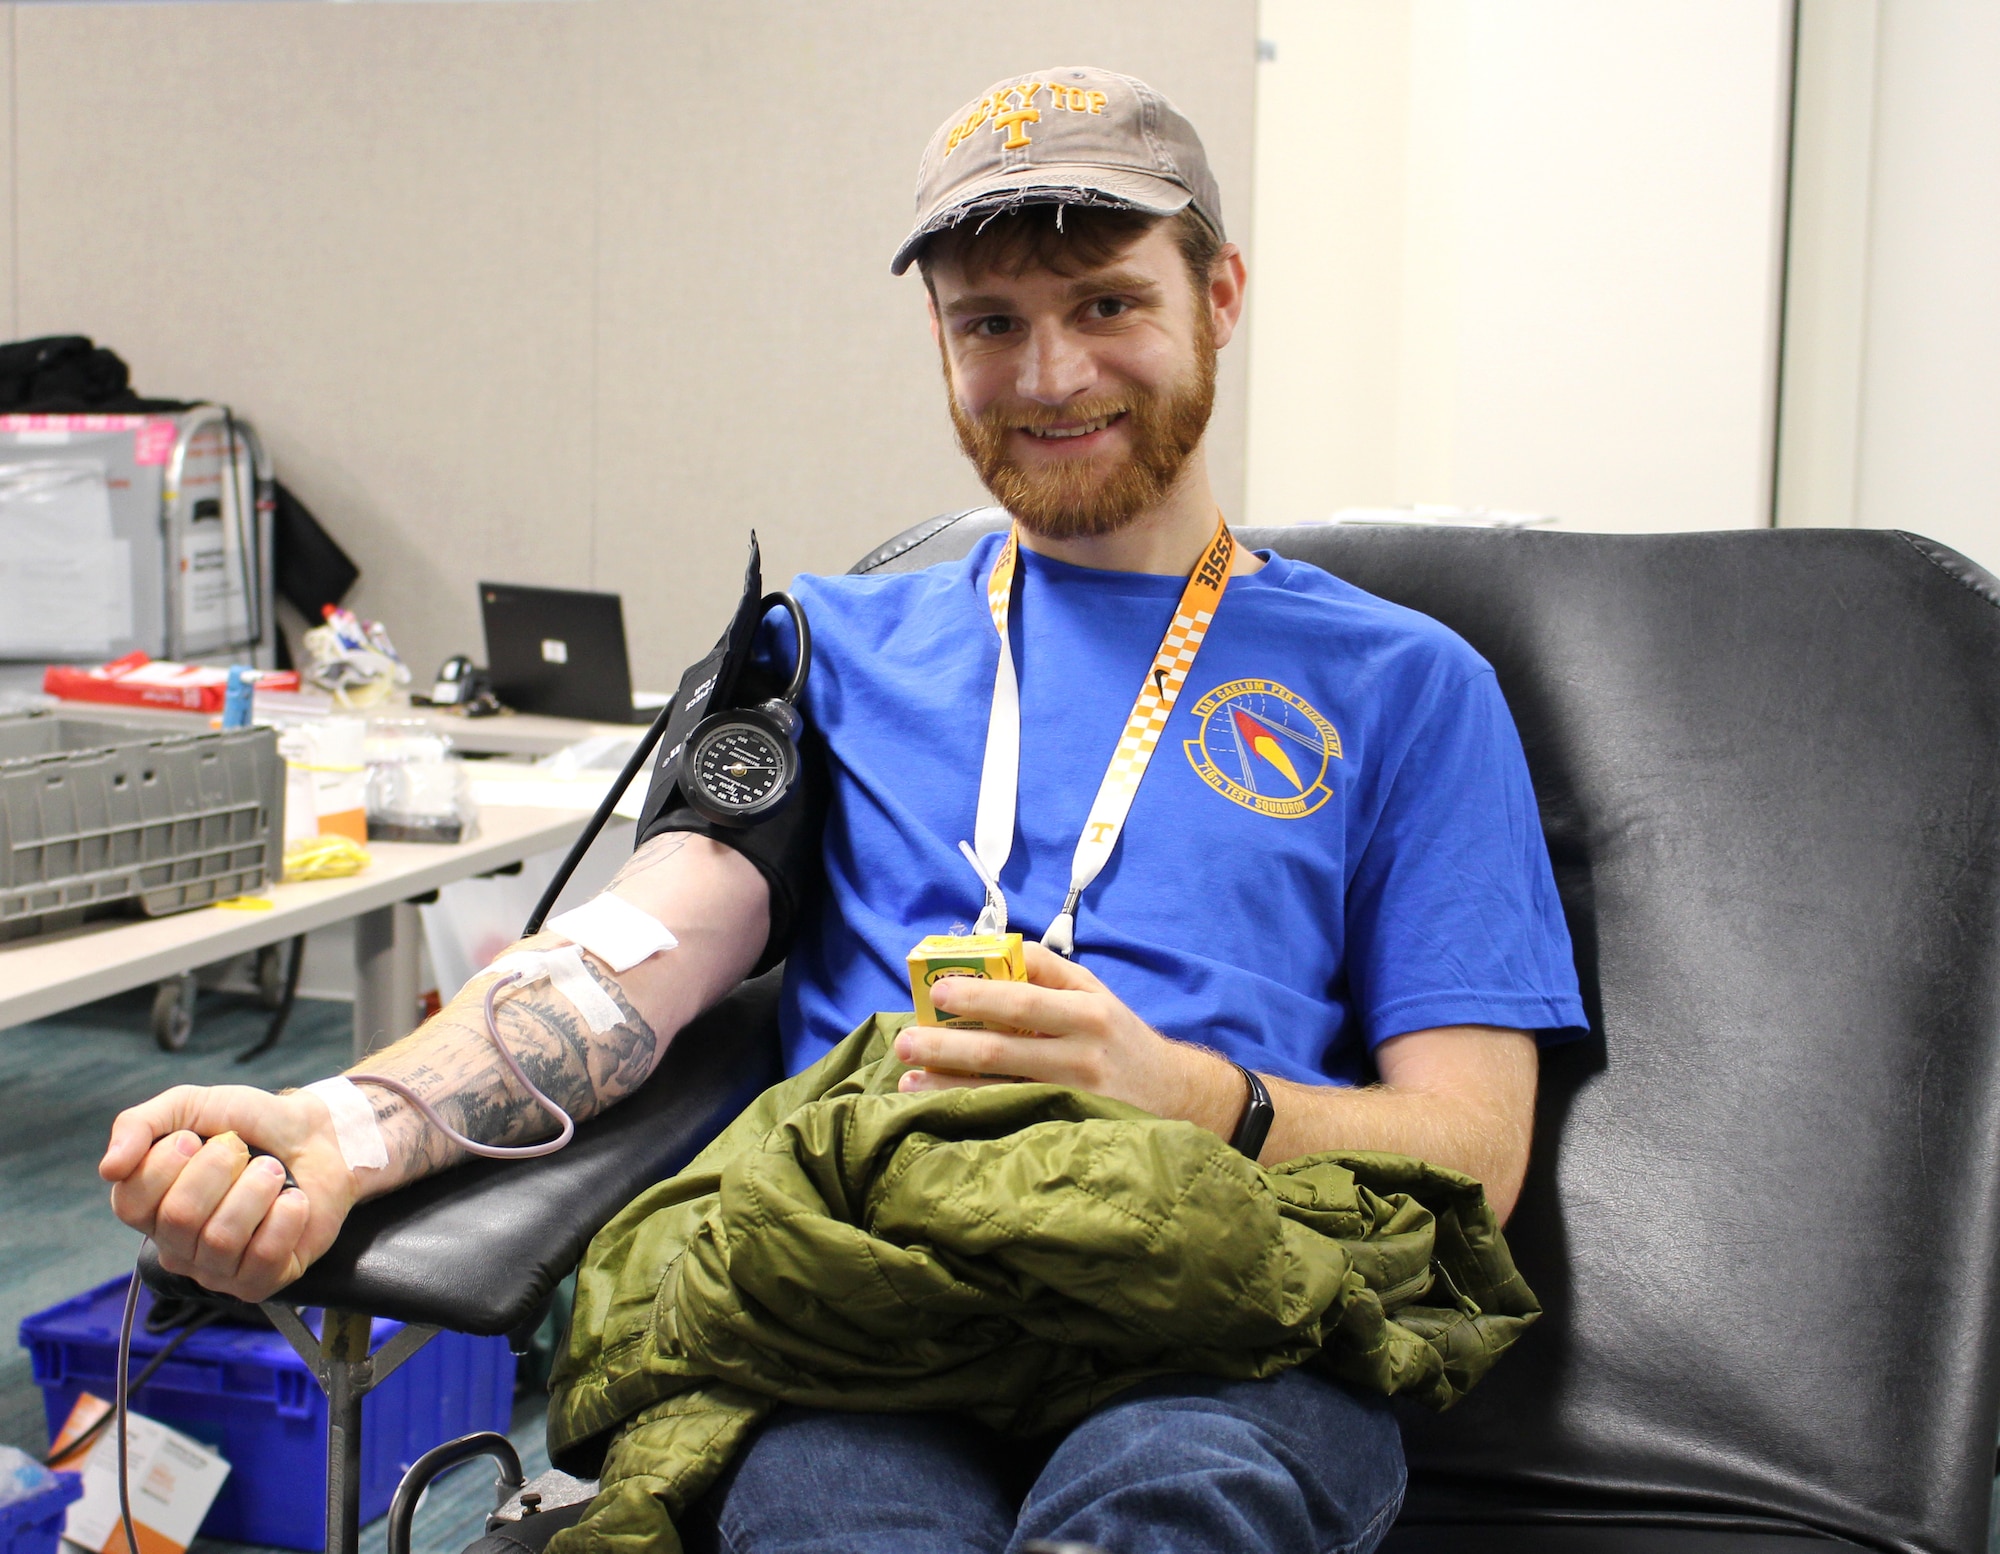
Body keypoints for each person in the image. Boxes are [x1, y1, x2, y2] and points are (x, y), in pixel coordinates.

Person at [99, 66, 1585, 1554]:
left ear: (1222, 296)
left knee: (1164, 1514)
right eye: (990, 324)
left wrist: (1189, 1094)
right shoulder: (825, 649)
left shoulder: (1407, 688)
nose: (1053, 374)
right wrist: (340, 1128)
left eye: (1108, 304)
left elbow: (1469, 1148)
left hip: (1222, 1332)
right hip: (858, 1308)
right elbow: (628, 958)